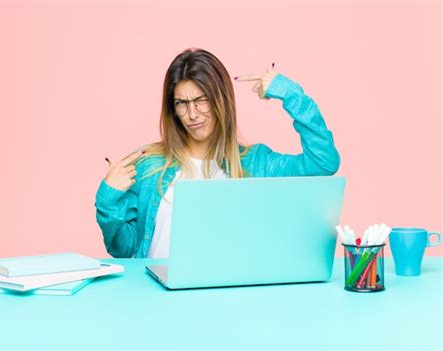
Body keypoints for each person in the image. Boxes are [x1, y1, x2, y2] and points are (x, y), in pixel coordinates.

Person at [95, 48, 340, 258]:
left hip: (227, 301)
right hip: (158, 302)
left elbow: (323, 163)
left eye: (201, 100)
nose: (192, 114)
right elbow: (123, 250)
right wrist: (108, 198)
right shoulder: (149, 165)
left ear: (220, 100)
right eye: (182, 103)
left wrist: (289, 93)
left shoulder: (255, 163)